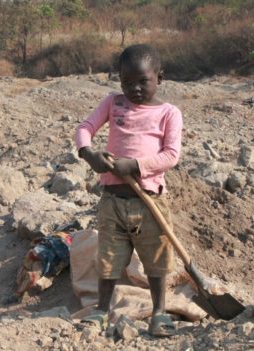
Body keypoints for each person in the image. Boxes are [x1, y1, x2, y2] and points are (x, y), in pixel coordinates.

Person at [75, 44, 183, 337]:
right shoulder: (113, 103)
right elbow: (85, 128)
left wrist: (134, 165)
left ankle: (159, 312)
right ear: (119, 80)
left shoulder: (168, 113)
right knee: (108, 259)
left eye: (143, 81)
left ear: (159, 77)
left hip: (150, 202)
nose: (134, 88)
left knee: (156, 259)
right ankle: (100, 310)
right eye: (127, 82)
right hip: (113, 202)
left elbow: (171, 156)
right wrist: (88, 153)